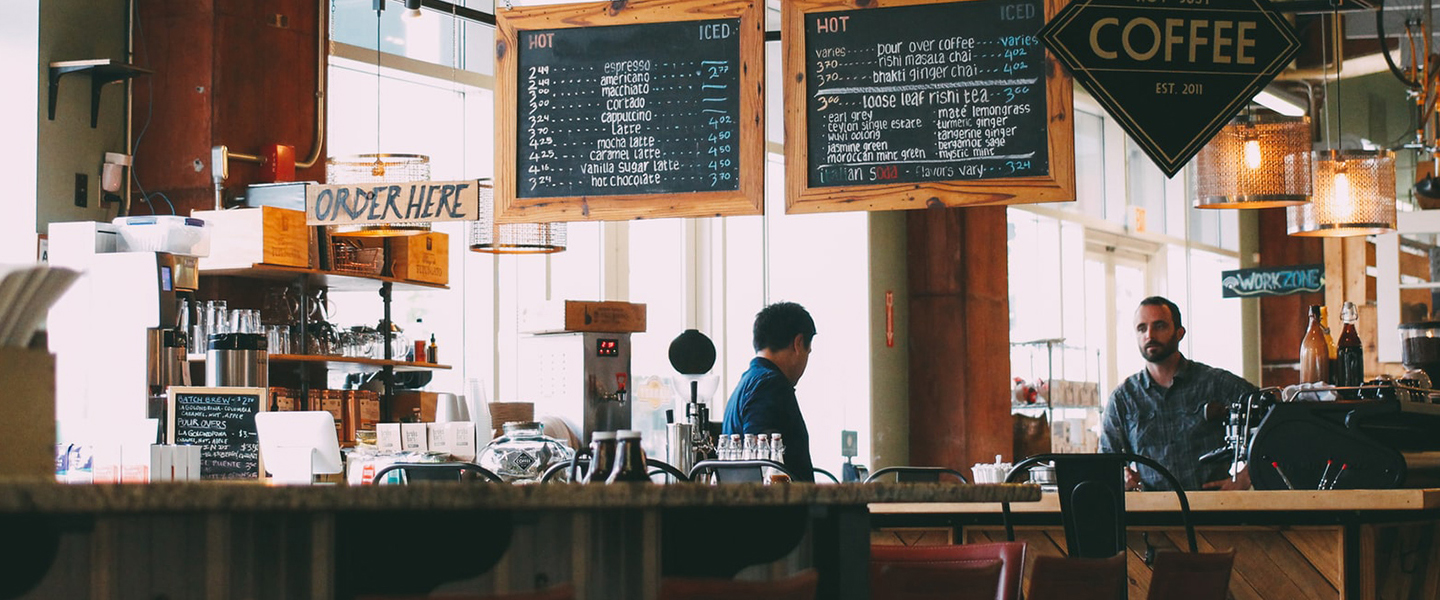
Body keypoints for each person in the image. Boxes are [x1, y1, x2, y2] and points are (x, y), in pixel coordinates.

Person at [1100, 296, 1256, 491]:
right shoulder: (1123, 399)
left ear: (1180, 333)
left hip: (1215, 511)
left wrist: (1245, 477)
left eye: (1159, 326)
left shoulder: (1216, 384)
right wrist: (1120, 477)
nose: (1149, 335)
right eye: (1142, 328)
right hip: (1153, 515)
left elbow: (1276, 424)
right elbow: (1104, 463)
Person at [722, 302, 816, 482]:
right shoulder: (771, 385)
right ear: (797, 343)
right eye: (808, 351)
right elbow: (766, 465)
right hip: (778, 508)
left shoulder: (746, 382)